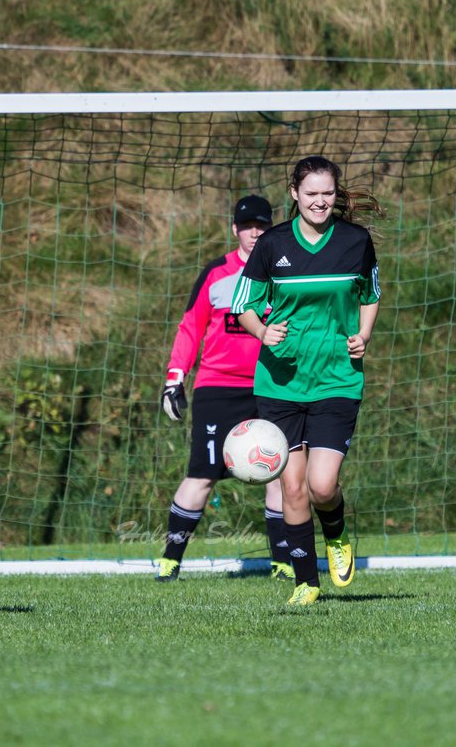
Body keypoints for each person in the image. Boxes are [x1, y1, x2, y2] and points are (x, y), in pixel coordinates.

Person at [231, 156, 381, 606]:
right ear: (294, 194)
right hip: (280, 384)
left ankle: (336, 533)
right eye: (311, 193)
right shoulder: (272, 244)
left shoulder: (355, 241)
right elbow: (243, 303)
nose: (320, 201)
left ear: (336, 195)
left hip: (337, 379)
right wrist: (262, 330)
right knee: (292, 487)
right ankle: (305, 583)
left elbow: (370, 294)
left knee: (321, 486)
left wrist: (364, 335)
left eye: (328, 193)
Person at [156, 196, 293, 582]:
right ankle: (170, 559)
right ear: (235, 229)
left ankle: (282, 561)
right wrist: (174, 377)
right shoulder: (216, 273)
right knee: (202, 473)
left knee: (281, 472)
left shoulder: (283, 273)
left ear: (271, 229)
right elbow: (190, 326)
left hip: (271, 385)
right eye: (247, 226)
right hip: (217, 387)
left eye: (261, 226)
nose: (254, 233)